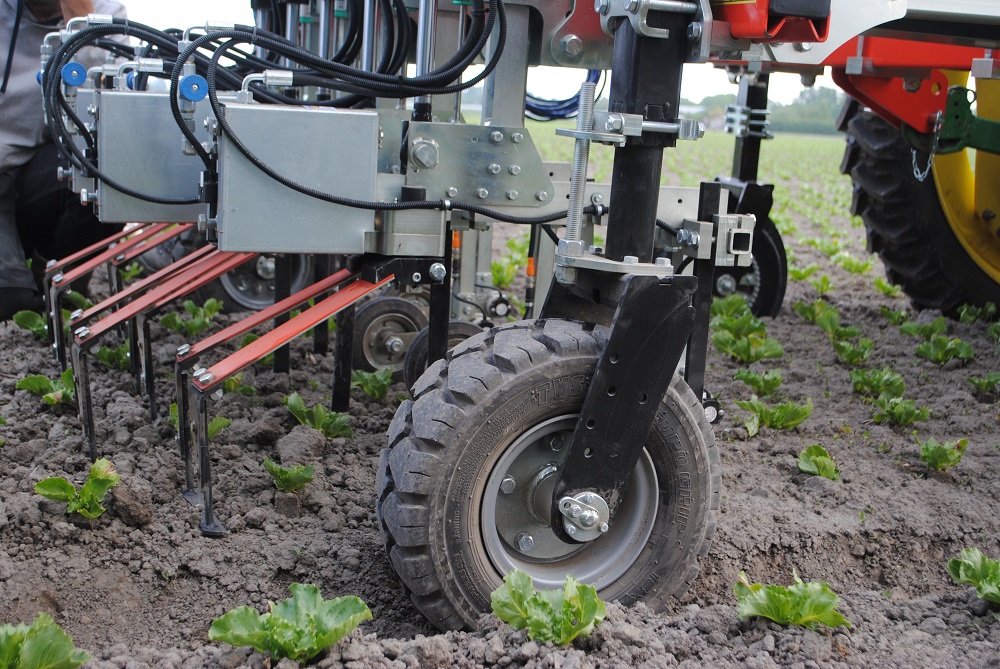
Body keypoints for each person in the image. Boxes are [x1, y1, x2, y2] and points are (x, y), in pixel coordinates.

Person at [0, 0, 126, 320]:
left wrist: (80, 28)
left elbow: (103, 118)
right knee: (10, 305)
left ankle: (60, 281)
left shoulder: (106, 14)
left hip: (40, 170)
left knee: (108, 166)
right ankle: (17, 278)